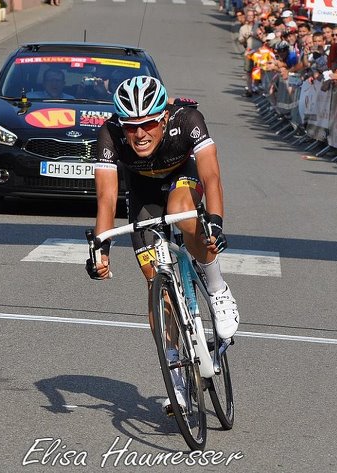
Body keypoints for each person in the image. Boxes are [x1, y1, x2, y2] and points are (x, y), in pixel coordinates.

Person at [89, 76, 240, 412]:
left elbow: (212, 175)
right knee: (154, 281)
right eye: (130, 127)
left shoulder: (186, 120)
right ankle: (176, 369)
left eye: (147, 124)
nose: (139, 134)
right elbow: (106, 196)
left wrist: (214, 221)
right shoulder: (109, 133)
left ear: (163, 116)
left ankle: (217, 289)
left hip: (181, 180)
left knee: (183, 215)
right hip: (143, 194)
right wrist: (101, 247)